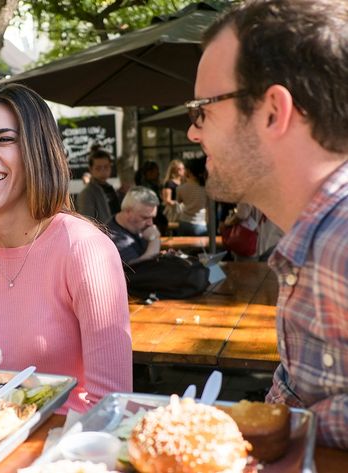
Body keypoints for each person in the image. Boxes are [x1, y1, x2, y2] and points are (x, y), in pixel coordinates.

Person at [186, 0, 348, 448]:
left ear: (273, 111)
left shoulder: (341, 241)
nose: (192, 132)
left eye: (202, 109)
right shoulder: (314, 239)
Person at [0, 83, 132, 414]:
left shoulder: (85, 250)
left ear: (37, 150)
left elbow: (110, 406)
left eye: (4, 139)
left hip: (66, 453)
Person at [106, 186, 161, 264]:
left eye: (152, 217)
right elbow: (140, 270)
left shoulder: (135, 227)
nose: (150, 223)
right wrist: (154, 240)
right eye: (145, 217)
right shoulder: (113, 237)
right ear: (128, 211)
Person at [77, 146, 120, 224]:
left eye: (106, 167)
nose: (103, 171)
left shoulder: (110, 188)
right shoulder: (87, 193)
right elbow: (87, 222)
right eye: (98, 168)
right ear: (91, 169)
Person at [175, 157, 208, 236]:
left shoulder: (180, 188)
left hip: (184, 222)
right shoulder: (207, 188)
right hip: (200, 223)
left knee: (183, 248)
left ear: (189, 171)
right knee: (201, 248)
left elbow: (179, 203)